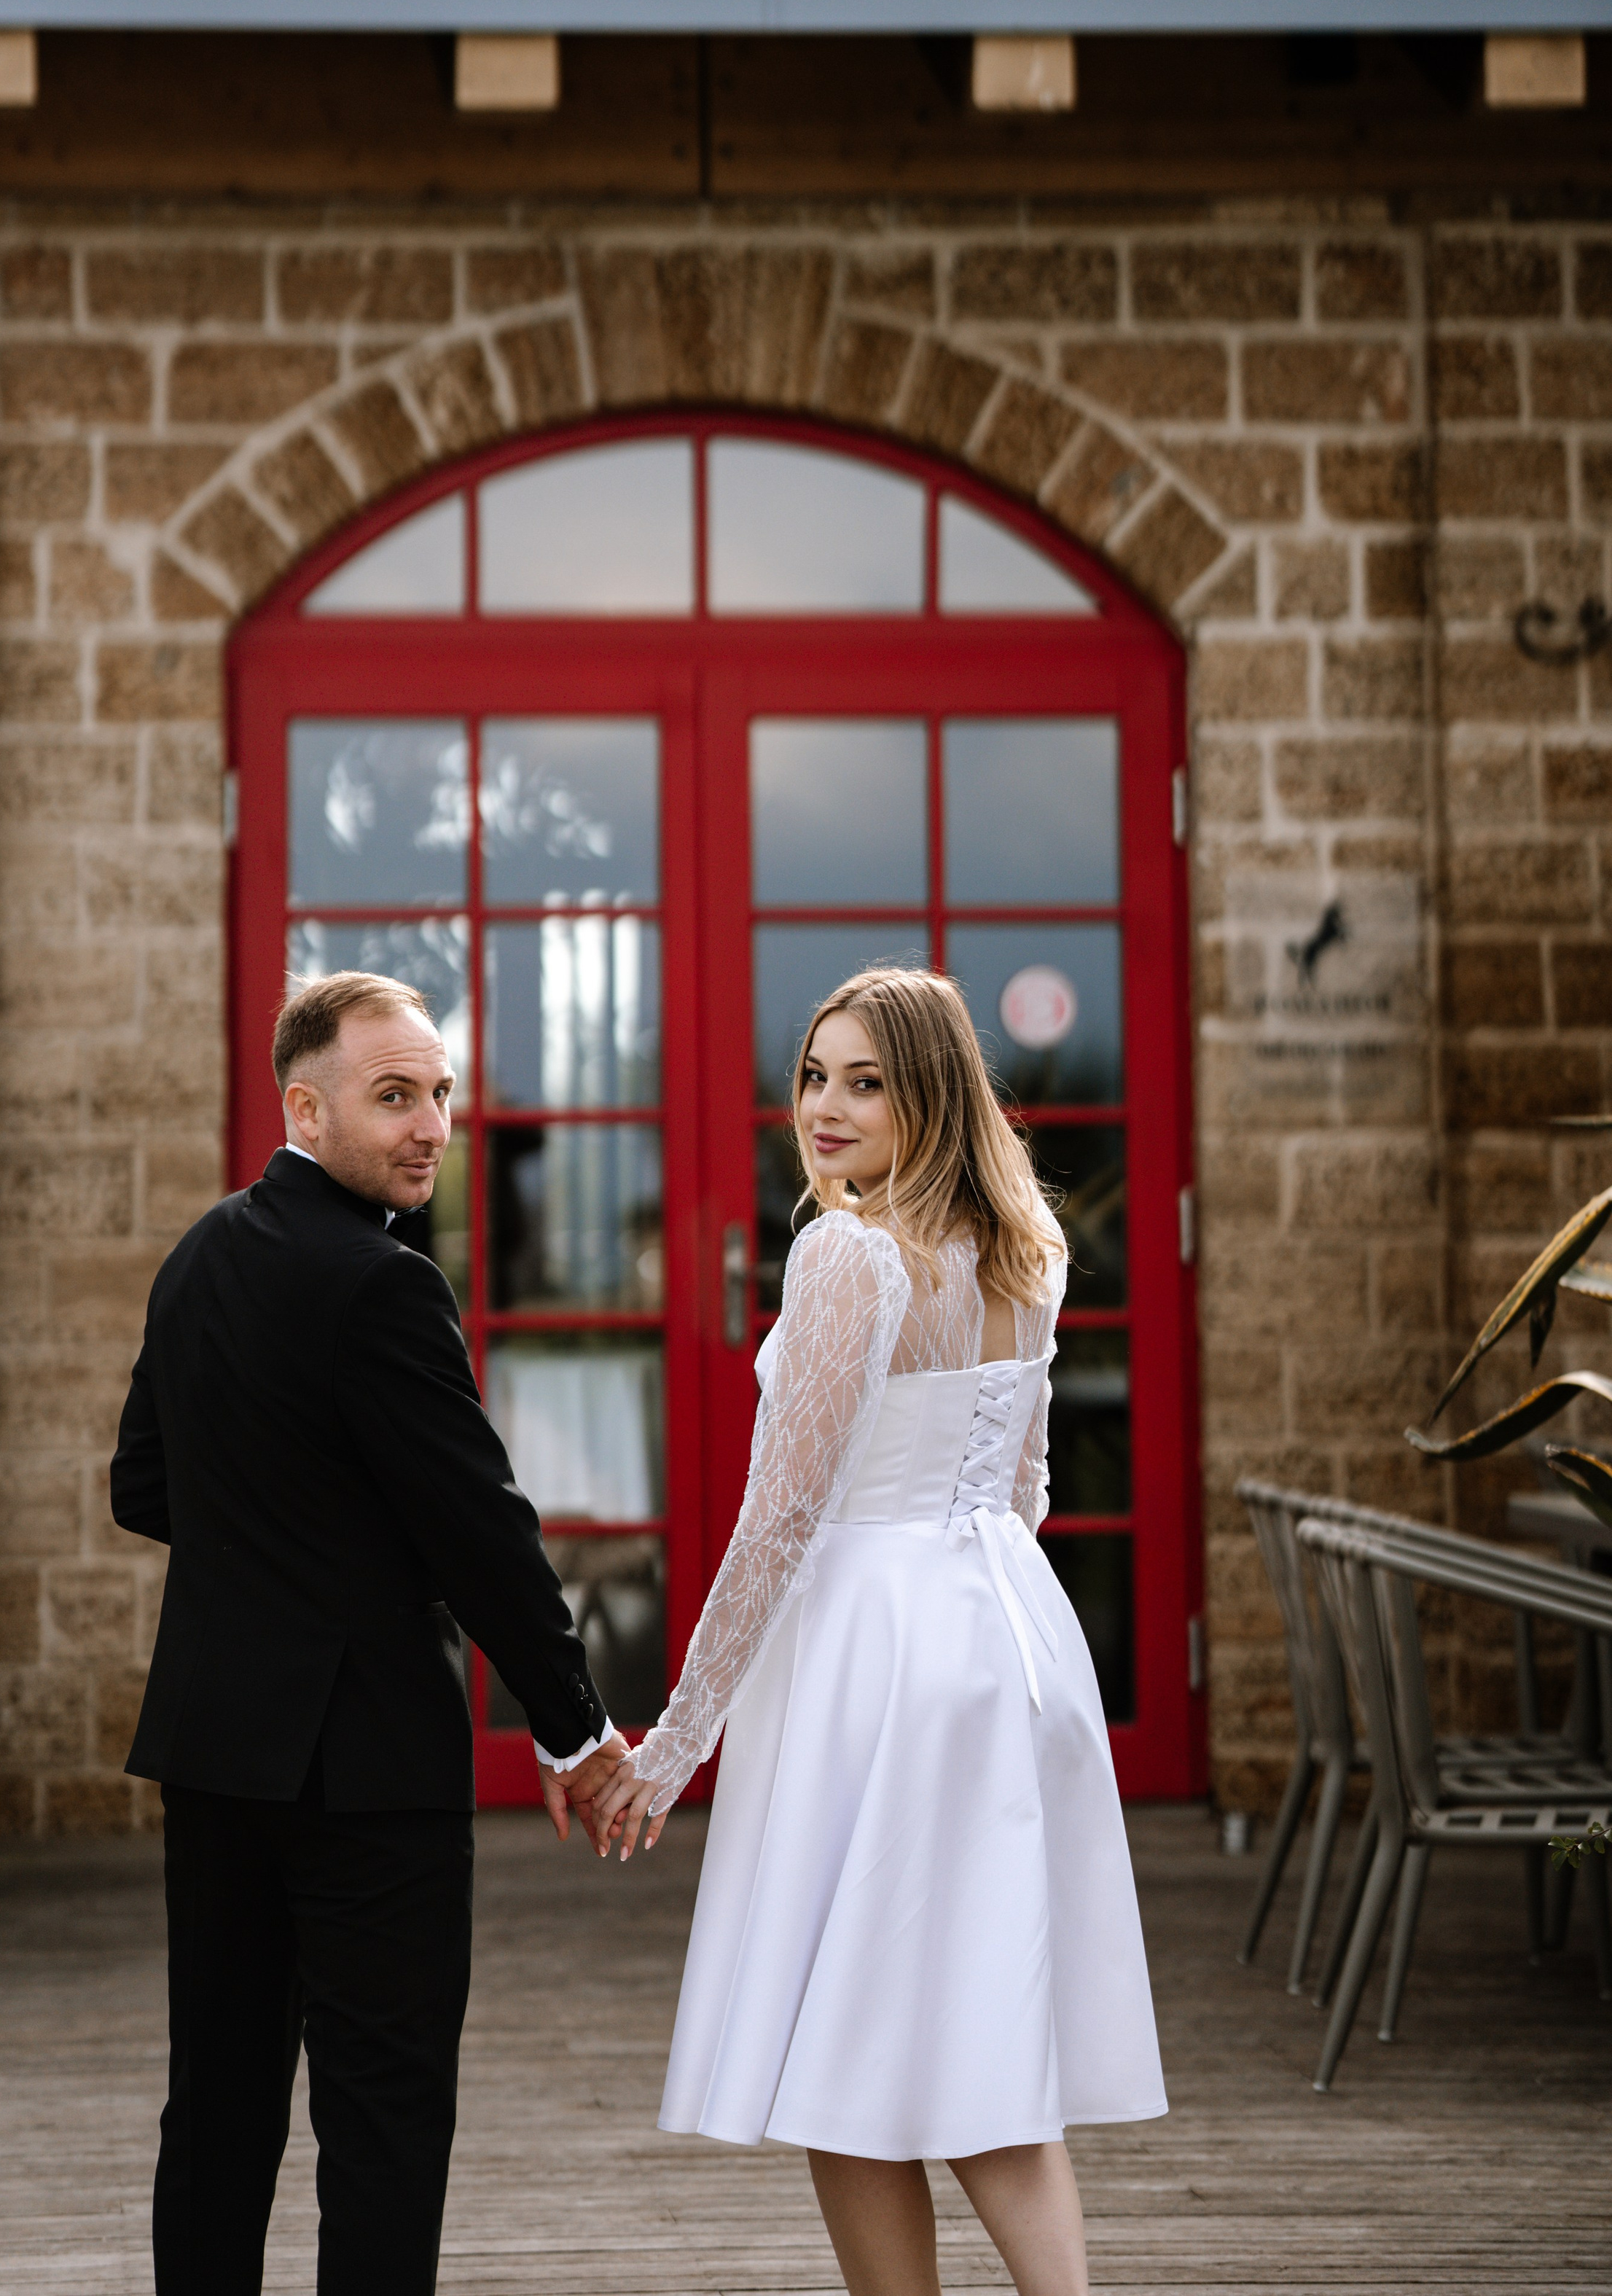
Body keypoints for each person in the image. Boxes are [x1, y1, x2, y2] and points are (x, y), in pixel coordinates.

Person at [592, 967, 1165, 2296]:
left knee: (841, 2047)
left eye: (866, 1081)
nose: (827, 1108)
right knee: (979, 2030)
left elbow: (781, 1521)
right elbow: (1020, 1488)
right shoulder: (1028, 1246)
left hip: (875, 1658)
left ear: (931, 1094)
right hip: (1006, 1641)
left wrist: (681, 1741)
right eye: (813, 1076)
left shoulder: (850, 1250)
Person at [110, 971, 625, 2296]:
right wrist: (577, 1728)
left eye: (443, 1094)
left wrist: (285, 1547)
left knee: (215, 2110)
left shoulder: (199, 1255)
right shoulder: (384, 1284)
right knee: (384, 2123)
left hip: (218, 1743)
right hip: (369, 1766)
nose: (432, 1125)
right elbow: (481, 1530)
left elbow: (144, 1487)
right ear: (305, 1103)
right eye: (395, 1096)